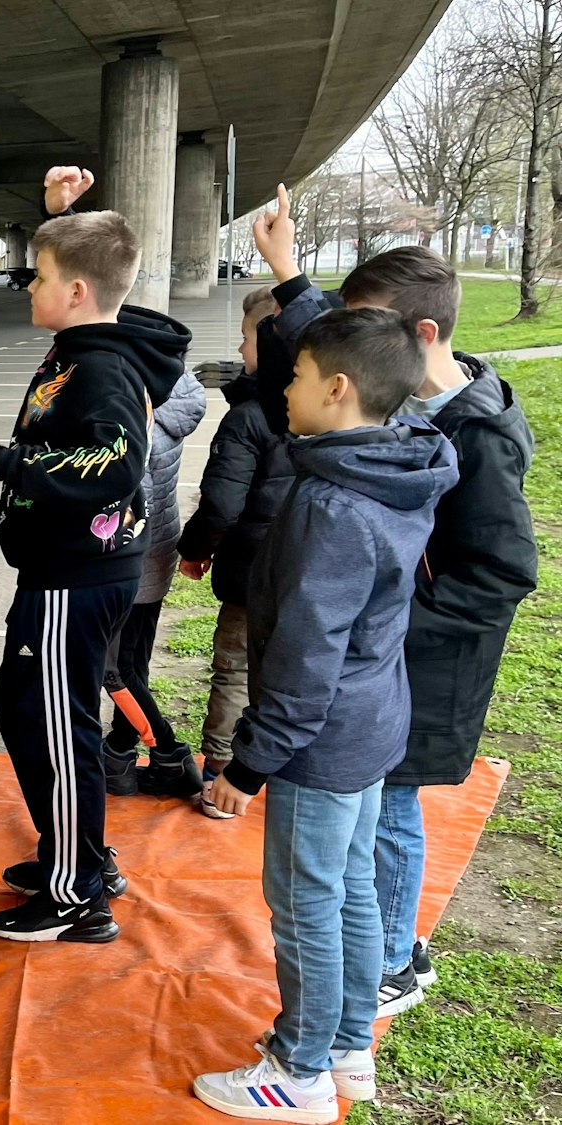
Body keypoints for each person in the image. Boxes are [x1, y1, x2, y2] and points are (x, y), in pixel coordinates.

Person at [250, 196, 539, 1019]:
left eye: (361, 327)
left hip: (419, 664)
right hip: (379, 664)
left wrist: (381, 626)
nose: (343, 346)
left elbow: (504, 573)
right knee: (362, 829)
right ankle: (372, 960)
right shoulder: (411, 405)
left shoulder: (474, 436)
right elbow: (339, 357)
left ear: (414, 342)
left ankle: (389, 961)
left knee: (390, 811)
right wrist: (289, 272)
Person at [191, 307, 457, 1123]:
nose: (286, 389)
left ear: (338, 390)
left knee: (307, 900)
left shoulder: (330, 507)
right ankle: (345, 1045)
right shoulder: (401, 460)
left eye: (298, 376)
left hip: (325, 738)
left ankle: (298, 1069)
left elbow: (307, 659)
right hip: (372, 720)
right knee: (343, 890)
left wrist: (247, 764)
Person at [0, 167, 189, 943]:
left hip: (75, 580)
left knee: (58, 724)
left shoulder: (104, 367)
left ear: (77, 293)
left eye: (41, 276)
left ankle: (76, 892)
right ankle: (74, 850)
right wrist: (70, 217)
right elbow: (103, 263)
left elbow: (115, 466)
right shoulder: (90, 340)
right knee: (25, 706)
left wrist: (0, 459)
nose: (28, 287)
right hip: (58, 574)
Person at [177, 286, 293, 814]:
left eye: (246, 339)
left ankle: (221, 775)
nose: (240, 351)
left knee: (235, 672)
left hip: (253, 574)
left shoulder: (248, 417)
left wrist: (195, 549)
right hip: (308, 576)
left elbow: (221, 503)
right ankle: (284, 774)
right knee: (296, 673)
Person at [101, 367, 208, 797]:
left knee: (115, 670)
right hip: (158, 548)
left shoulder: (135, 416)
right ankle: (120, 754)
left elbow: (122, 498)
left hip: (129, 556)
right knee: (132, 661)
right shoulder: (175, 397)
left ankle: (169, 754)